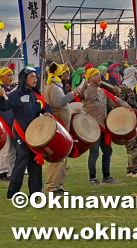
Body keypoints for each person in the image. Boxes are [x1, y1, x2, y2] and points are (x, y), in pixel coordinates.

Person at [0, 67, 46, 199]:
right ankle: (12, 193)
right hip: (22, 134)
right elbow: (3, 106)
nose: (35, 79)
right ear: (24, 79)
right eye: (32, 77)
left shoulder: (35, 94)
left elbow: (46, 107)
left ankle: (35, 193)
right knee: (23, 157)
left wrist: (47, 113)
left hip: (34, 135)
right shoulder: (15, 94)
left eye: (35, 77)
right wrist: (1, 97)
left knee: (35, 161)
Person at [77, 65, 130, 185]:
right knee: (94, 152)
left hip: (103, 126)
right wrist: (85, 82)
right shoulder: (86, 92)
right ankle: (92, 178)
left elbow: (114, 100)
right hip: (92, 126)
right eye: (96, 75)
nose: (99, 76)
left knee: (107, 151)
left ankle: (107, 176)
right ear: (90, 78)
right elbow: (79, 94)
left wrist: (125, 104)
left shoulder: (102, 92)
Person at [43, 63, 75, 192]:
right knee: (57, 155)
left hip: (61, 125)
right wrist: (73, 94)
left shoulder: (55, 86)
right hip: (58, 126)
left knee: (62, 156)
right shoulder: (54, 88)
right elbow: (58, 102)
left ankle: (58, 185)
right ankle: (52, 186)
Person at [118, 66, 137, 178]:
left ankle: (130, 169)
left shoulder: (135, 88)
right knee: (133, 145)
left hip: (136, 119)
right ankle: (136, 170)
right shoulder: (123, 89)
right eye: (135, 74)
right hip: (129, 119)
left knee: (135, 143)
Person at [0, 67, 17, 182]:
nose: (11, 77)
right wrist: (1, 95)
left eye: (11, 75)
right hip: (4, 121)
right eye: (8, 75)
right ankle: (3, 171)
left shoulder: (13, 89)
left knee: (14, 149)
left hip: (13, 121)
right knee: (5, 148)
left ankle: (11, 171)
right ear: (2, 77)